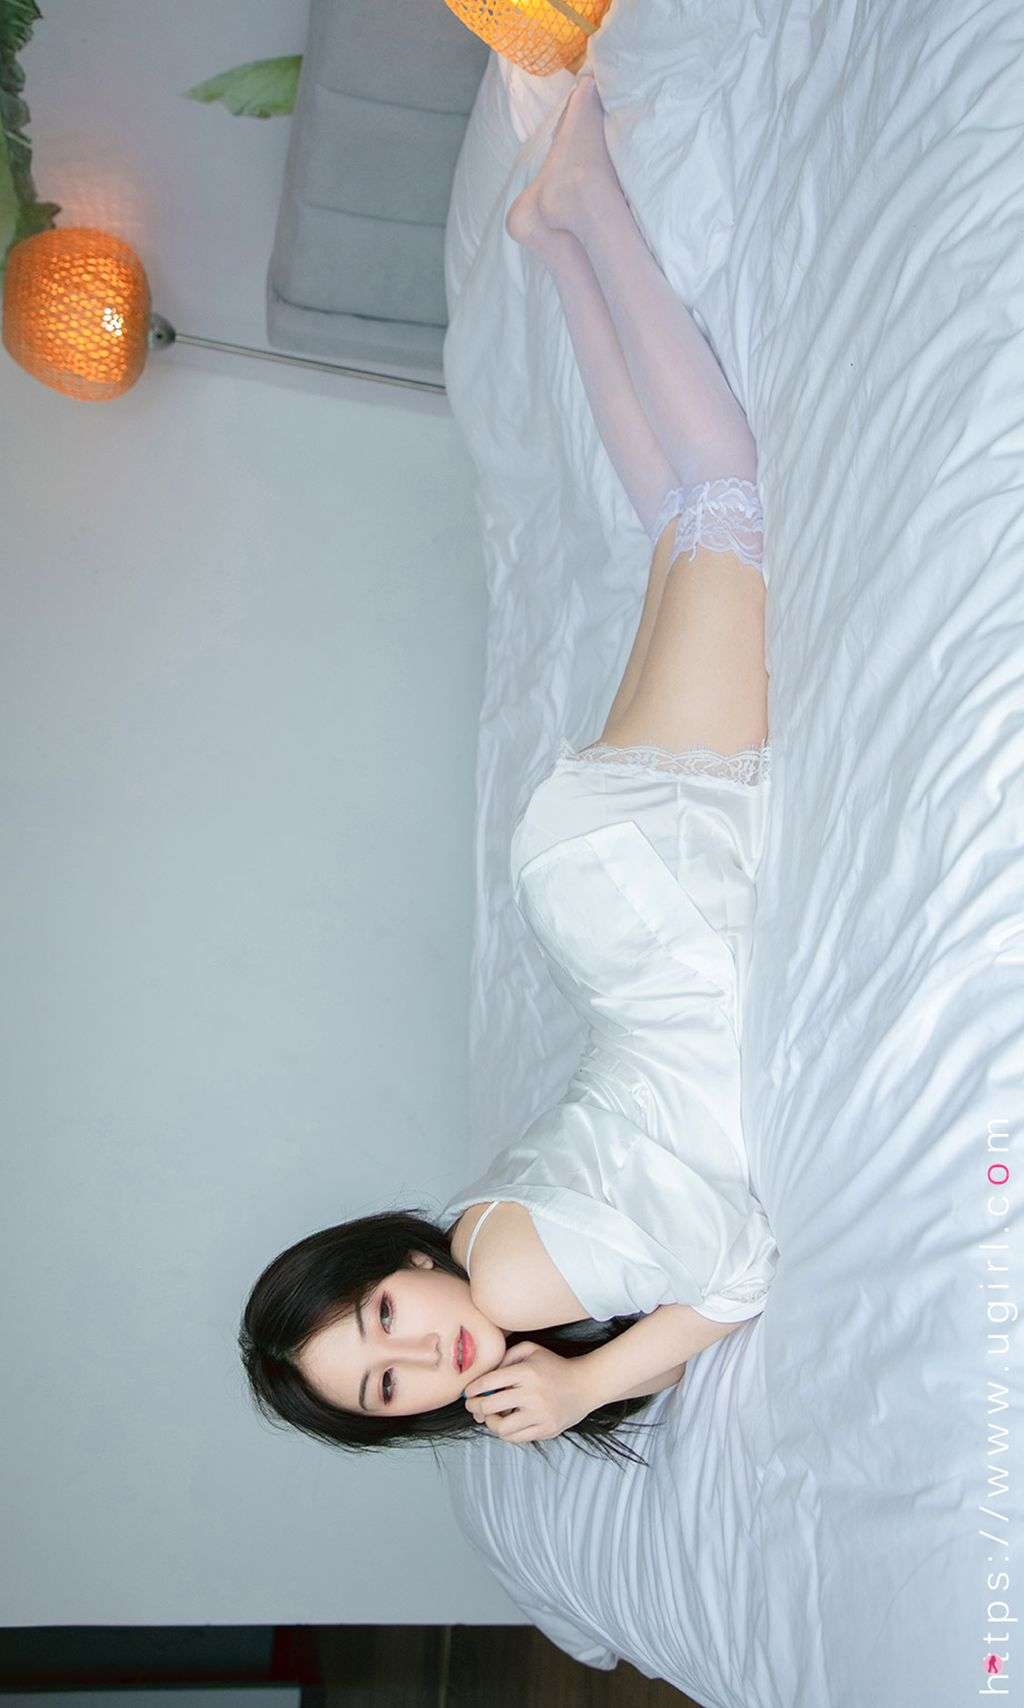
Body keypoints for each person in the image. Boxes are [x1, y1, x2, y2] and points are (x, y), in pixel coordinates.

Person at [239, 70, 776, 1470]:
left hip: (651, 901)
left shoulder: (525, 1288)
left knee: (728, 501)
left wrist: (593, 1386)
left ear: (400, 1259)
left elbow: (740, 1263)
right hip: (607, 899)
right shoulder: (487, 1252)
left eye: (384, 1315)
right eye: (387, 1386)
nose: (425, 1357)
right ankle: (552, 230)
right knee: (684, 520)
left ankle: (580, 199)